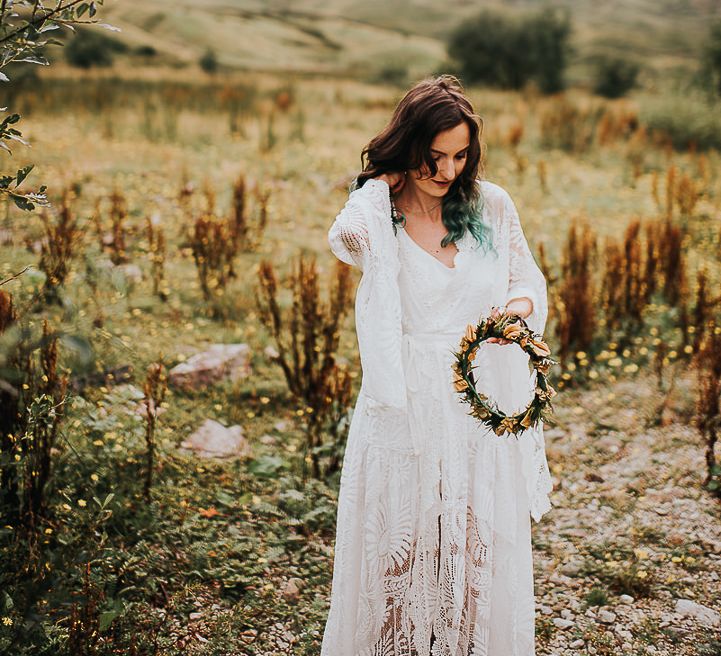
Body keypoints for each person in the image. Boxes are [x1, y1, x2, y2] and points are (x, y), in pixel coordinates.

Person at [321, 74, 553, 656]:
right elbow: (344, 237)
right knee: (403, 545)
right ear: (406, 149)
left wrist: (513, 312)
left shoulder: (490, 204)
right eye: (432, 157)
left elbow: (528, 280)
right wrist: (379, 184)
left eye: (460, 155)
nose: (447, 172)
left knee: (476, 541)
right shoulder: (379, 213)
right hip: (406, 399)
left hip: (479, 395)